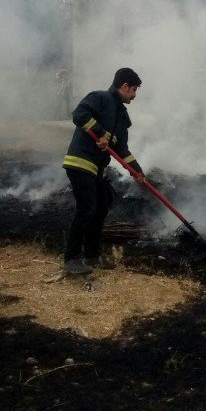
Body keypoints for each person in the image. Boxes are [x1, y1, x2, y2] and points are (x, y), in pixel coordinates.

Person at [61, 67, 146, 275]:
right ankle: (71, 259)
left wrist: (137, 172)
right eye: (134, 90)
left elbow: (122, 149)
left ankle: (91, 256)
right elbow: (79, 114)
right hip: (80, 163)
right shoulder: (100, 98)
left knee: (100, 208)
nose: (135, 96)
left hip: (97, 170)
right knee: (87, 209)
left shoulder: (122, 117)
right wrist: (100, 133)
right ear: (124, 86)